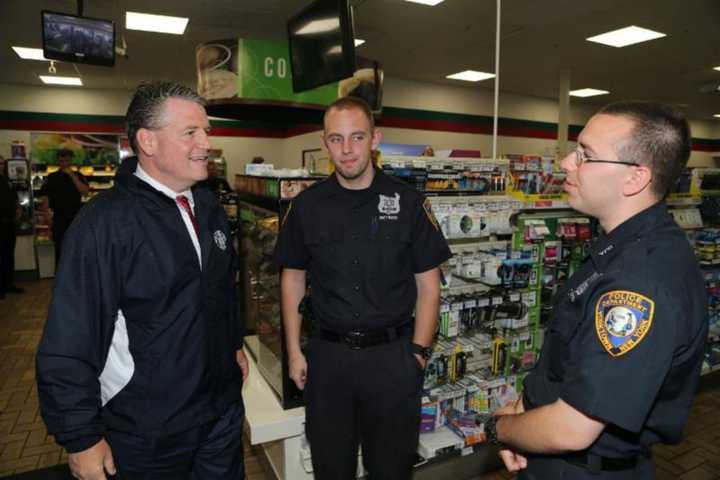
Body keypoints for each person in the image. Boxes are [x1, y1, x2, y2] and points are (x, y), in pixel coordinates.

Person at [37, 81, 249, 480]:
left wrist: (232, 343)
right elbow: (70, 338)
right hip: (148, 430)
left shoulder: (208, 206)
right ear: (147, 141)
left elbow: (219, 291)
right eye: (191, 132)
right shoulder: (104, 223)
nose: (207, 142)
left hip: (220, 415)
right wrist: (81, 437)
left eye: (207, 131)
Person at [487, 102, 708, 479]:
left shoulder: (640, 283)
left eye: (585, 155)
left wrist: (498, 429)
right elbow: (566, 363)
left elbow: (572, 429)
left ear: (634, 178)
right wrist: (523, 416)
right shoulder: (621, 250)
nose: (566, 164)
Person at [274, 96, 451, 479]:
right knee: (330, 467)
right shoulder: (306, 207)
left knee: (391, 469)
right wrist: (293, 351)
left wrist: (417, 355)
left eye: (357, 137)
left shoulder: (408, 203)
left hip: (392, 359)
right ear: (325, 143)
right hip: (327, 359)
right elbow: (292, 278)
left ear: (375, 139)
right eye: (336, 139)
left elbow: (429, 286)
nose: (347, 149)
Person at [37, 148, 89, 264]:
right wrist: (47, 216)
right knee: (60, 249)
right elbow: (45, 197)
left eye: (66, 159)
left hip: (77, 218)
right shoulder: (52, 177)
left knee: (77, 248)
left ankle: (76, 277)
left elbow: (85, 192)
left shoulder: (78, 175)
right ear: (58, 160)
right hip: (58, 218)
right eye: (61, 159)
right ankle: (61, 278)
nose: (64, 161)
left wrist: (72, 176)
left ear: (71, 160)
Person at [0, 155, 23, 298]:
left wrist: (18, 207)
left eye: (2, 163)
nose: (1, 166)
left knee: (8, 255)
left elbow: (14, 198)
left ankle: (8, 284)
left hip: (9, 223)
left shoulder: (6, 179)